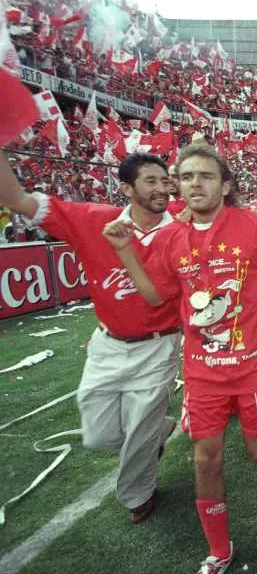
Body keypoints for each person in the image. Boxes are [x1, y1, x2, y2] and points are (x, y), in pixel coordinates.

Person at [103, 143, 257, 573]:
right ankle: (219, 551)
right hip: (202, 370)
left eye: (206, 175)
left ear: (226, 184)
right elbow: (155, 294)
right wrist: (125, 252)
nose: (194, 183)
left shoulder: (255, 226)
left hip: (254, 366)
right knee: (205, 457)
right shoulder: (171, 236)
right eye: (187, 176)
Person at [0, 152, 181, 524]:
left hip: (159, 344)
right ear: (126, 187)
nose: (162, 188)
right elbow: (19, 201)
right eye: (151, 181)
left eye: (165, 181)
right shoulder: (93, 219)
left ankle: (138, 495)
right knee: (99, 436)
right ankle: (157, 432)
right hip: (107, 344)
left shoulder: (182, 229)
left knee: (139, 435)